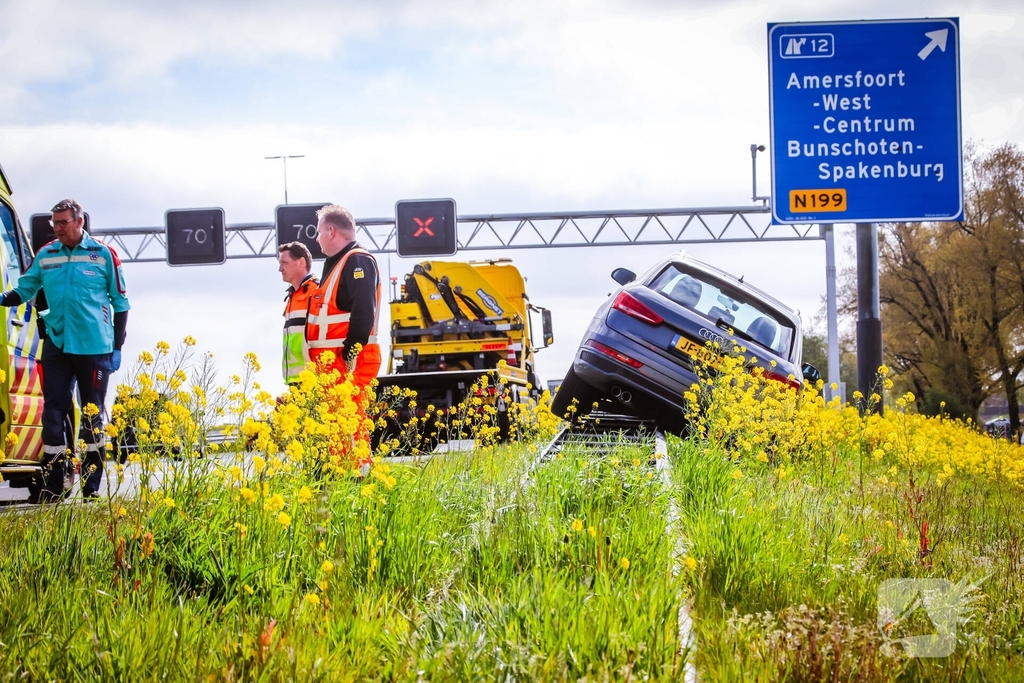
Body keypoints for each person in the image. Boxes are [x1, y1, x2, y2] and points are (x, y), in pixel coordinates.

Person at [0, 198, 129, 500]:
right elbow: (25, 289)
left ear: (79, 222)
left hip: (94, 347)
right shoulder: (46, 255)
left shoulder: (103, 254)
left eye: (62, 223)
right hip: (57, 345)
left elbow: (121, 302)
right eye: (53, 224)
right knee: (53, 414)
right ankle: (53, 485)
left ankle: (92, 486)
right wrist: (3, 297)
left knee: (91, 417)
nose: (57, 229)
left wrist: (117, 346)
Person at [306, 204, 381, 461]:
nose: (316, 239)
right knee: (339, 423)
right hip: (334, 361)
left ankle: (360, 479)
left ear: (331, 230)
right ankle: (344, 478)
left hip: (348, 359)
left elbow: (363, 309)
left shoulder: (357, 260)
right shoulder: (337, 264)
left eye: (318, 232)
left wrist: (352, 352)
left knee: (349, 421)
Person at [278, 241, 318, 384]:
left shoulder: (317, 292)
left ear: (301, 262)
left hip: (313, 380)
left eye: (284, 262)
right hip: (295, 381)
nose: (280, 268)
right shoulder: (292, 296)